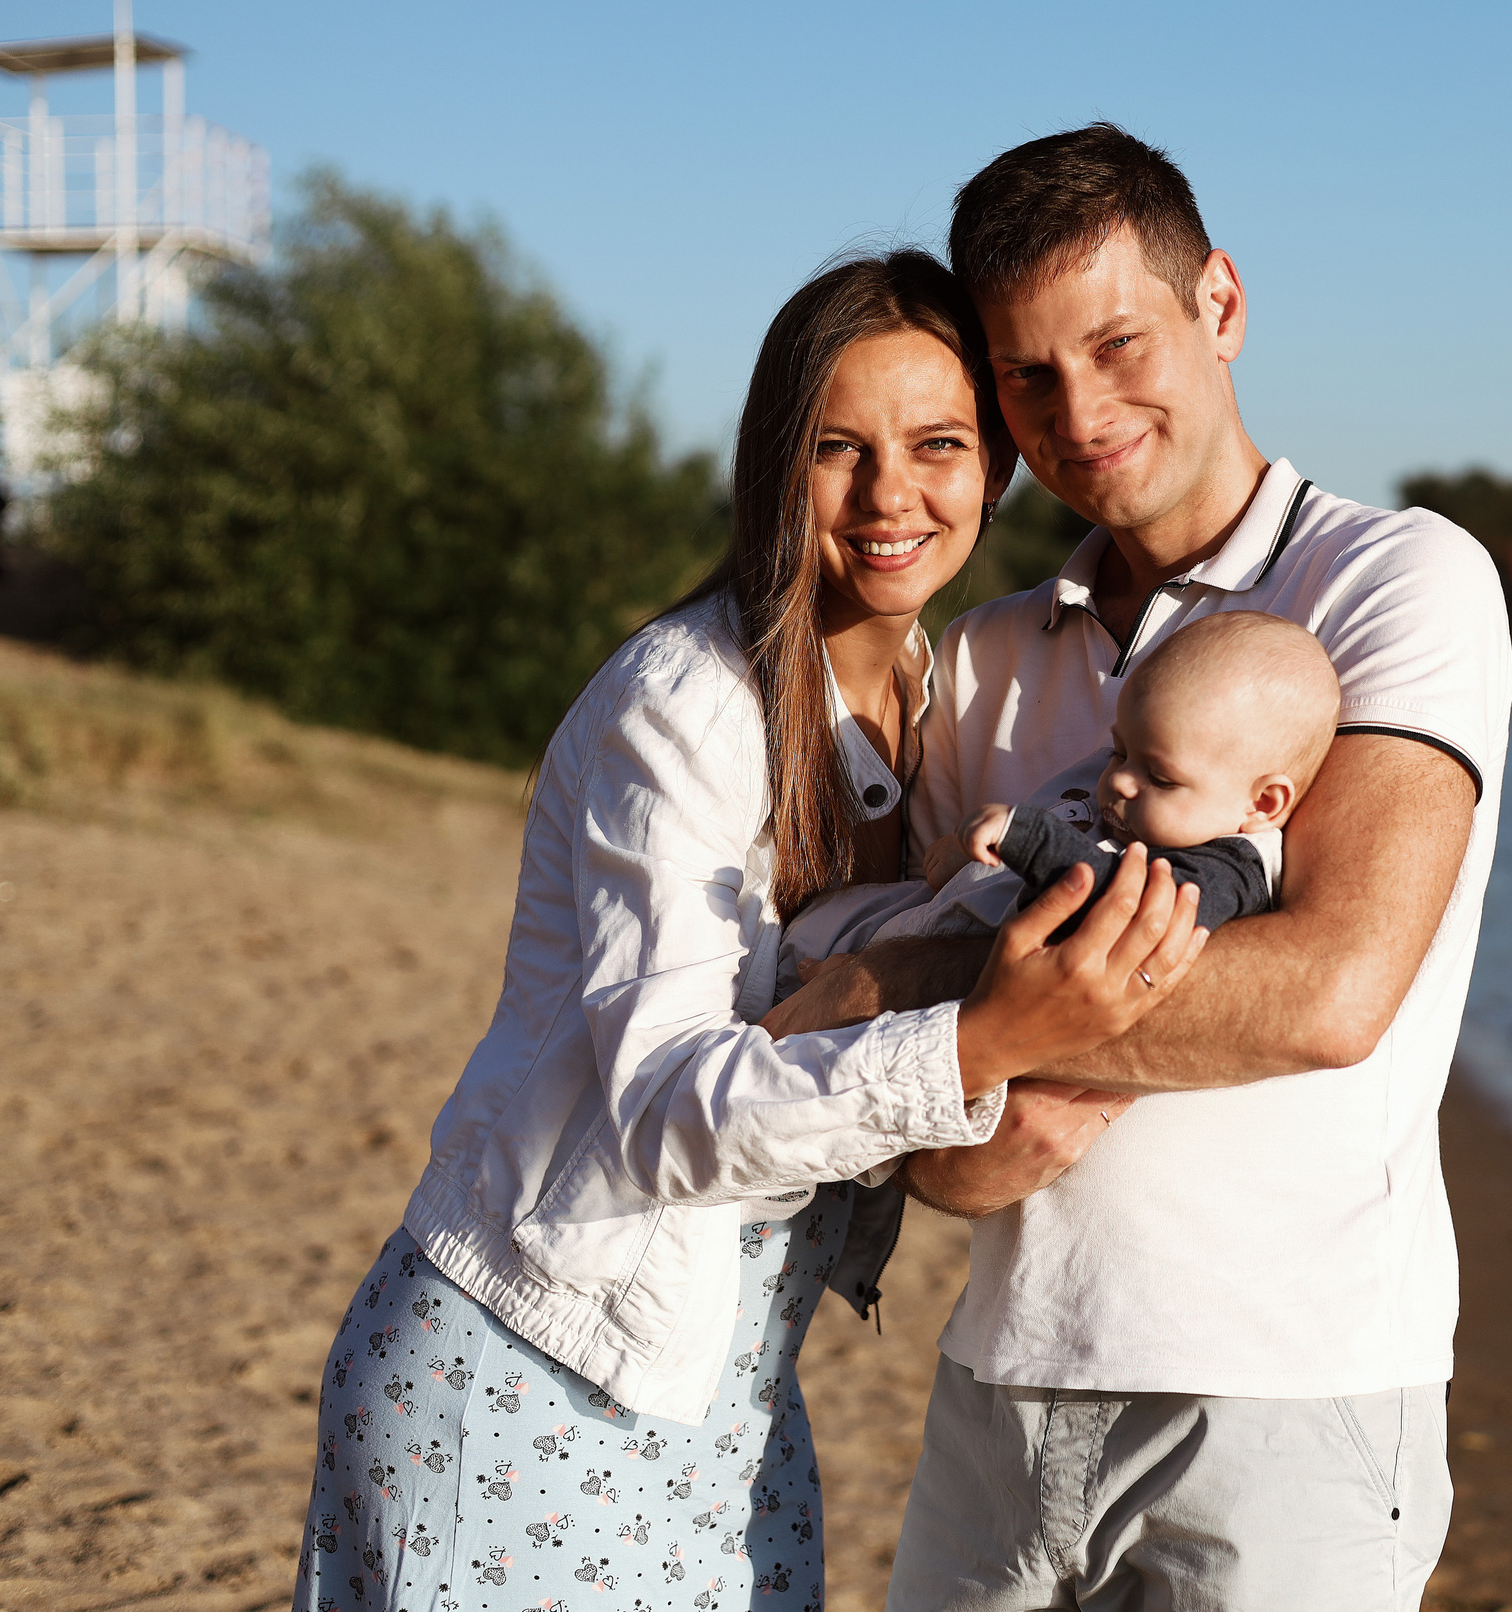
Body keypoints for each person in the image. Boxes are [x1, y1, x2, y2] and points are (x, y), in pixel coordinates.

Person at [290, 250, 1210, 1612]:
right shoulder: (682, 706)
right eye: (838, 448)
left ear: (998, 468)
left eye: (937, 444)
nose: (890, 493)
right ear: (774, 467)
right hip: (532, 1368)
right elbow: (668, 1109)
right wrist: (987, 1038)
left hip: (724, 1388)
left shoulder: (924, 689)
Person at [775, 126, 1512, 1609]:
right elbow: (928, 1116)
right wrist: (948, 1128)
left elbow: (1331, 988)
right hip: (999, 1386)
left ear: (1221, 306)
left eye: (1117, 343)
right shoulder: (981, 655)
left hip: (1282, 1399)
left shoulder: (1393, 579)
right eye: (1028, 375)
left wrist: (915, 996)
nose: (1080, 409)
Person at [782, 608, 1336, 966]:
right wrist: (963, 850)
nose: (1119, 778)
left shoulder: (1224, 871)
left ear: (1262, 804)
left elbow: (1128, 912)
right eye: (1120, 751)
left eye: (1159, 777)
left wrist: (1024, 836)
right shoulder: (1148, 804)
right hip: (897, 930)